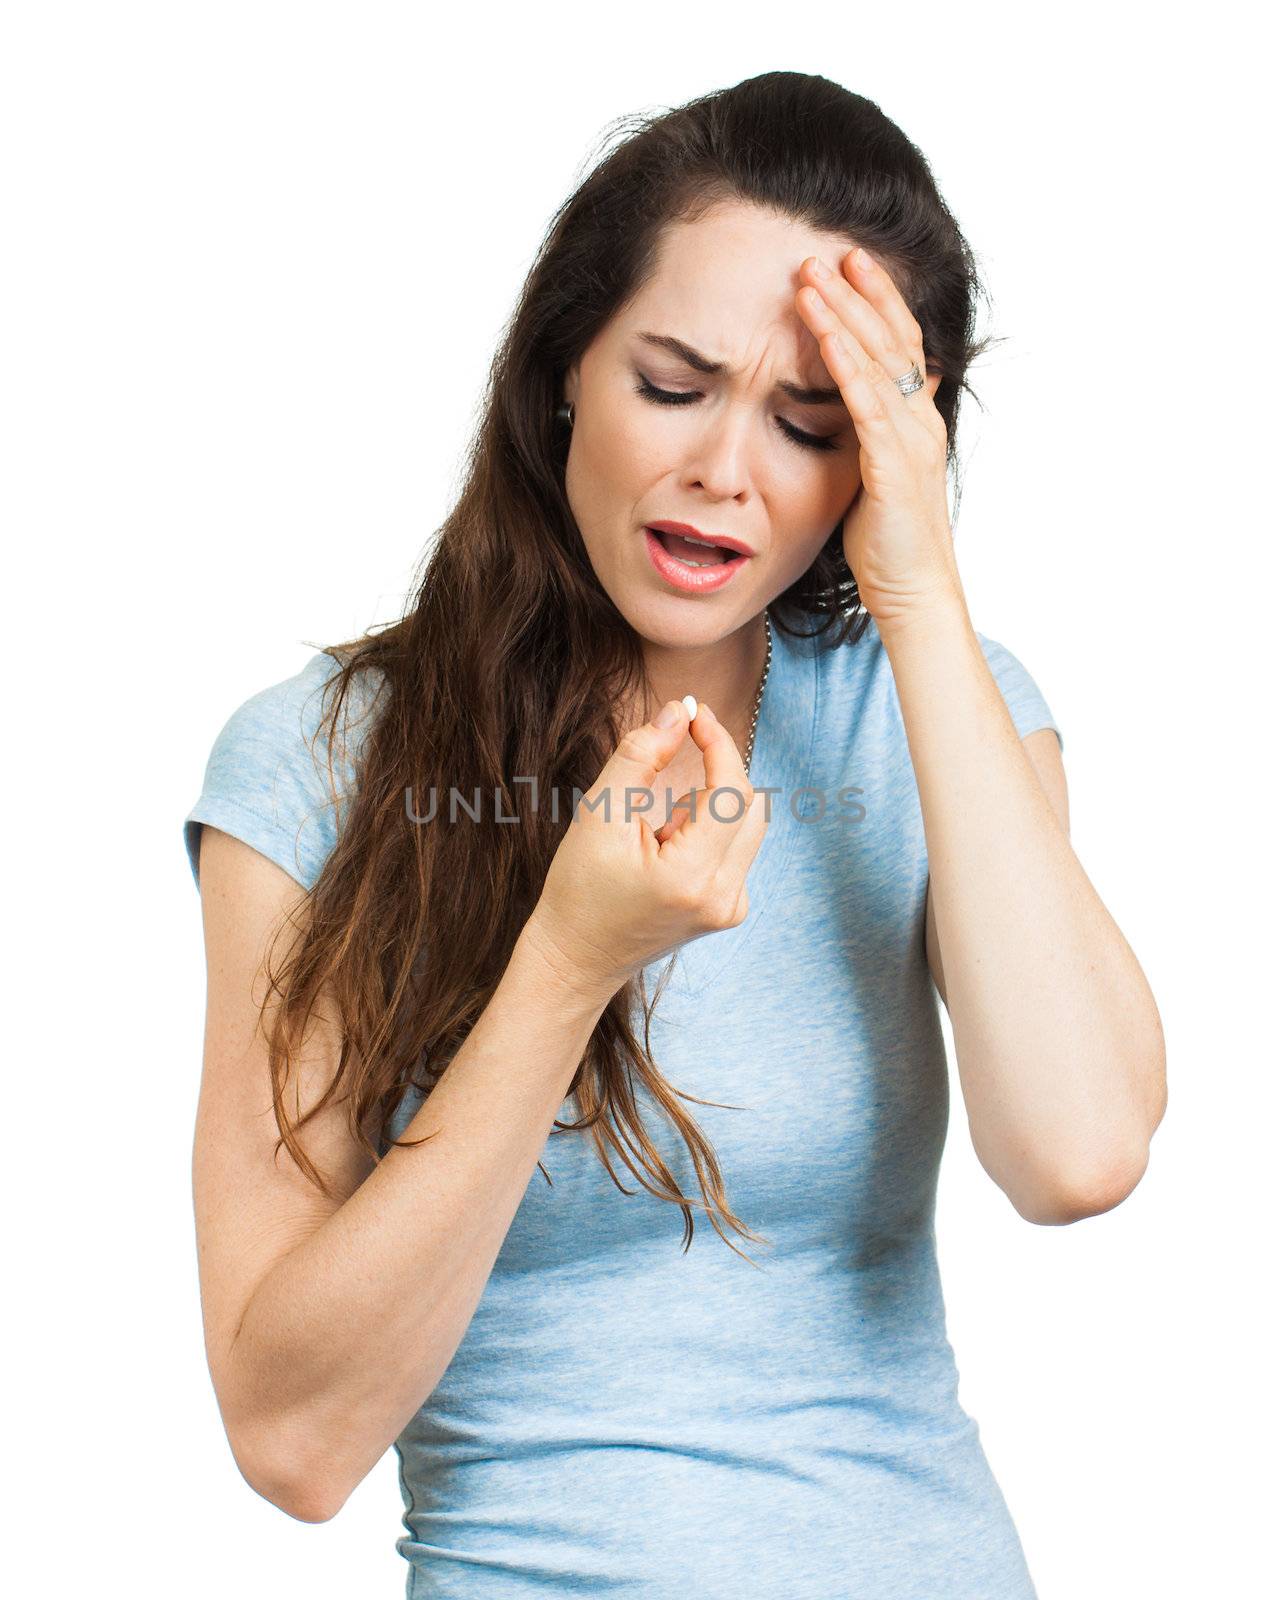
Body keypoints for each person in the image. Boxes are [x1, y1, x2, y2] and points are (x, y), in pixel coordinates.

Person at [183, 71, 1166, 1599]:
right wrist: (571, 959)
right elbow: (292, 1435)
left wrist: (921, 593)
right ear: (567, 365)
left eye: (809, 422)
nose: (728, 470)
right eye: (673, 384)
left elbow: (1081, 1150)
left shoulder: (935, 715)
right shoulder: (320, 767)